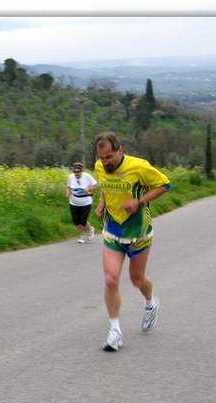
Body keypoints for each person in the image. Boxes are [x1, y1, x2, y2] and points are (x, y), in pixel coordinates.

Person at [93, 131, 171, 352]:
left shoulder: (139, 167)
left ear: (120, 150)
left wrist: (140, 201)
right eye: (101, 158)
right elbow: (105, 186)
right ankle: (115, 331)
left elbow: (164, 185)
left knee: (137, 280)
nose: (105, 162)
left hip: (139, 232)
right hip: (113, 230)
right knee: (110, 279)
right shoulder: (99, 166)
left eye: (109, 157)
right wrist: (102, 203)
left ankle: (150, 303)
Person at [66, 162, 98, 243]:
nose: (76, 173)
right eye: (75, 171)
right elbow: (68, 187)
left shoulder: (87, 176)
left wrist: (89, 188)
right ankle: (81, 235)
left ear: (81, 171)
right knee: (76, 221)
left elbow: (95, 184)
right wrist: (68, 193)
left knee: (83, 221)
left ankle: (91, 229)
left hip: (86, 203)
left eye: (78, 172)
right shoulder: (70, 177)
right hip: (73, 202)